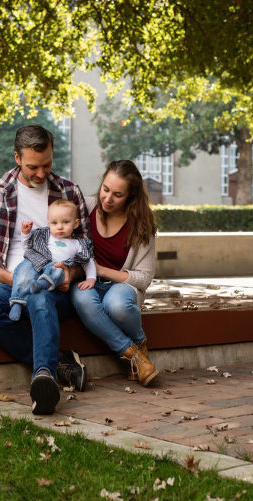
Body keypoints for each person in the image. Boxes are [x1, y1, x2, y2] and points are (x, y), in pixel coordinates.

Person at [0, 125, 90, 415]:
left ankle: (43, 377)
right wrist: (14, 279)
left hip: (54, 286)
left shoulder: (68, 191)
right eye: (33, 166)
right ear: (17, 158)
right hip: (9, 283)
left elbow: (86, 251)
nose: (41, 173)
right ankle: (58, 362)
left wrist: (70, 276)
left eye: (47, 165)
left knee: (38, 295)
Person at [70, 160, 159, 386]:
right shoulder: (86, 207)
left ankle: (140, 341)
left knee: (116, 305)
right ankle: (136, 356)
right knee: (82, 299)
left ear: (130, 196)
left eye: (117, 194)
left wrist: (101, 270)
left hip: (121, 287)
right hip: (86, 282)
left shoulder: (141, 224)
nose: (108, 199)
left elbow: (144, 278)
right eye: (105, 189)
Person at [9, 199, 96, 321]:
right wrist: (26, 234)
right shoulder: (44, 236)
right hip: (37, 264)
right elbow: (27, 249)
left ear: (76, 224)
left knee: (58, 270)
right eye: (54, 223)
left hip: (57, 268)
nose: (59, 227)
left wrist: (91, 279)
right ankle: (17, 302)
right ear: (49, 223)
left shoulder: (78, 243)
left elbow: (88, 261)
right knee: (24, 270)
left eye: (65, 222)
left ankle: (41, 284)